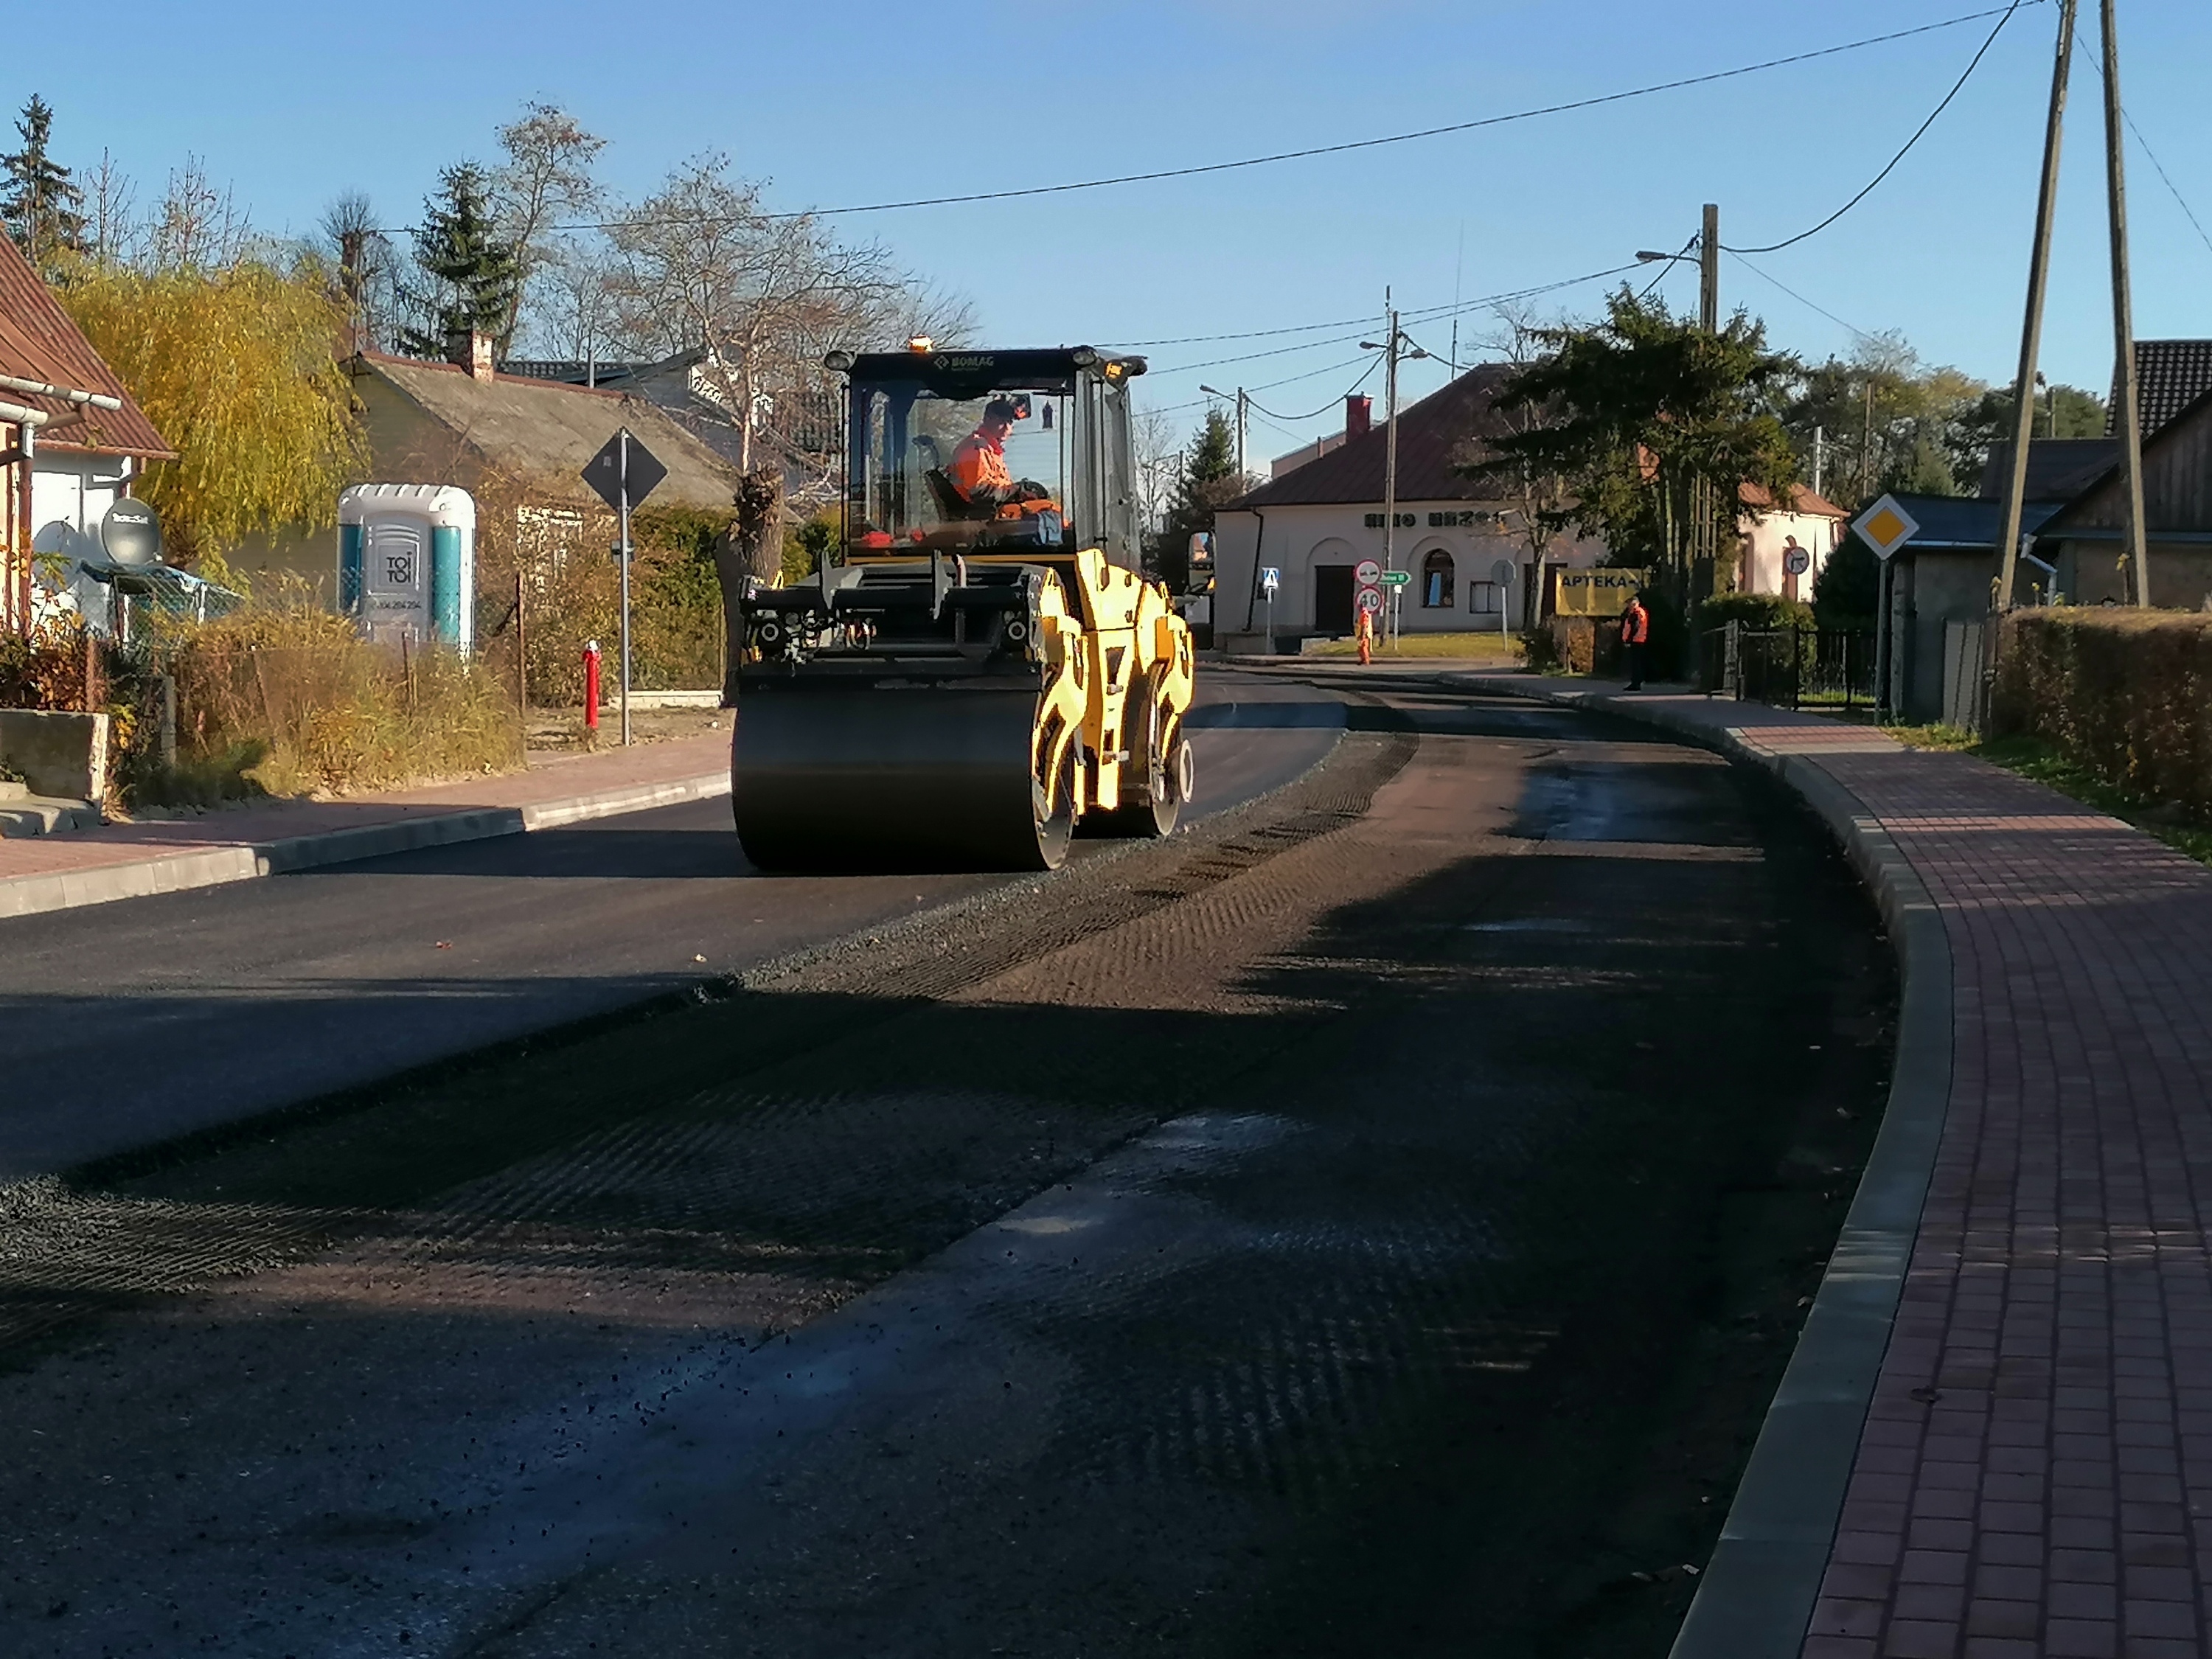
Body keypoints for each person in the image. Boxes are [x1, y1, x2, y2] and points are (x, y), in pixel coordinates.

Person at [947, 400, 1054, 514]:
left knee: (1045, 510)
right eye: (1002, 422)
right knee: (1050, 512)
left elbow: (996, 487)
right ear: (987, 420)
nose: (1007, 429)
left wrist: (1019, 490)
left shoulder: (991, 450)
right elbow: (978, 491)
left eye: (1010, 422)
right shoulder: (976, 448)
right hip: (980, 517)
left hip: (991, 512)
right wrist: (1017, 493)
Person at [1620, 588, 1650, 690]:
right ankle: (1636, 682)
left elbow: (1634, 627)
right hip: (1639, 640)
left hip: (1636, 640)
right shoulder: (1639, 612)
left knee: (1635, 664)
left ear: (1635, 603)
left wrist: (1628, 640)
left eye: (1629, 603)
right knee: (1636, 663)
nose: (1628, 606)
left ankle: (1636, 683)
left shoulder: (1636, 613)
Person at [1356, 601, 1374, 666]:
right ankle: (1363, 659)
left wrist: (1362, 635)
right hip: (1364, 633)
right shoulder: (1363, 613)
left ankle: (1366, 660)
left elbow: (1364, 626)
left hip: (1365, 634)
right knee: (1361, 648)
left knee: (1363, 648)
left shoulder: (1364, 614)